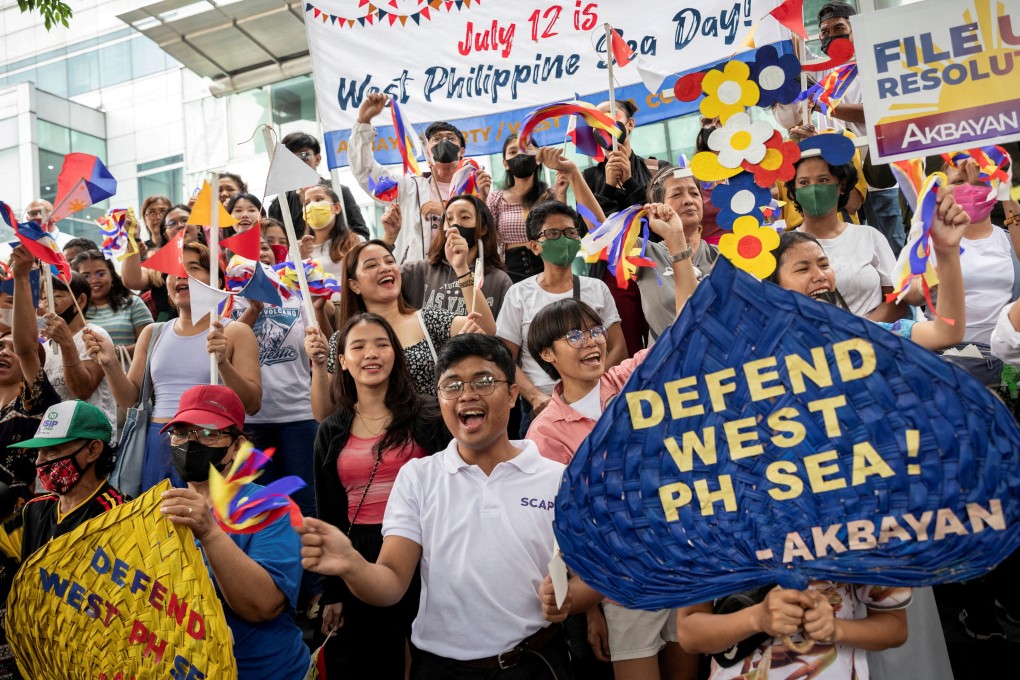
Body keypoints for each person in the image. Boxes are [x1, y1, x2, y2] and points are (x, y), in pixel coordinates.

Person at [298, 334, 600, 678]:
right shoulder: (418, 477)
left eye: (484, 381)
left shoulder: (558, 478)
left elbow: (596, 574)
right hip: (441, 669)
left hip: (535, 661)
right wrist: (352, 565)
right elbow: (391, 582)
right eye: (452, 385)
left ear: (513, 393)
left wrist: (570, 597)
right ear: (439, 399)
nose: (467, 394)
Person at [525, 203, 699, 680]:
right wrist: (591, 607)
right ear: (546, 354)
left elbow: (686, 332)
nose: (591, 342)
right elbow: (566, 525)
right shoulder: (544, 432)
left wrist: (678, 245)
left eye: (595, 330)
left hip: (680, 549)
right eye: (573, 337)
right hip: (619, 573)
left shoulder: (629, 378)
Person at [313, 313, 452, 678]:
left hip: (426, 547)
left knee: (429, 654)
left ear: (396, 354)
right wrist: (333, 592)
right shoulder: (331, 431)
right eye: (358, 346)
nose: (370, 353)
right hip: (359, 551)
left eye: (381, 344)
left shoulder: (429, 417)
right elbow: (328, 513)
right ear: (342, 361)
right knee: (374, 660)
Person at [158, 385, 308, 679]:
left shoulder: (271, 507)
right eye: (181, 432)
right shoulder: (161, 508)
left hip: (263, 671)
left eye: (208, 433)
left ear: (237, 446)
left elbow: (264, 606)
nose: (191, 442)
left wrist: (210, 532)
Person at [85, 242, 261, 491]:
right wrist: (110, 363)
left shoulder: (236, 332)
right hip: (158, 442)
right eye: (174, 270)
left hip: (211, 444)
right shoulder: (152, 332)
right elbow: (130, 399)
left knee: (210, 525)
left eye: (193, 267)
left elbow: (252, 404)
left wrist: (223, 364)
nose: (182, 275)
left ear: (218, 280)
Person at [0, 399, 126, 680]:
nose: (40, 461)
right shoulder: (35, 509)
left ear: (93, 450)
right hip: (37, 658)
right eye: (39, 451)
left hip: (89, 662)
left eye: (52, 450)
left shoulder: (120, 517)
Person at [307, 237, 496, 417]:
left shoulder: (428, 320)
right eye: (372, 265)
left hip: (431, 438)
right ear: (354, 285)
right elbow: (324, 413)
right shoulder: (342, 339)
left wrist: (461, 268)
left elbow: (485, 328)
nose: (385, 268)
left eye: (389, 261)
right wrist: (318, 364)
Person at [496, 201, 626, 435]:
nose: (564, 239)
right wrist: (536, 398)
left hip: (598, 402)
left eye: (570, 232)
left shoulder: (597, 289)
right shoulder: (518, 294)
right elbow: (505, 358)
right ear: (535, 246)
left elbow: (618, 348)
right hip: (542, 408)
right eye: (553, 233)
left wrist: (590, 386)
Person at [351, 92, 492, 264]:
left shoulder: (475, 187)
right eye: (437, 139)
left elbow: (487, 234)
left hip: (463, 270)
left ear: (462, 151)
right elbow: (366, 173)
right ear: (427, 151)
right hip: (418, 275)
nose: (444, 142)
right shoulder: (409, 187)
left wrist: (447, 210)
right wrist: (363, 123)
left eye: (451, 138)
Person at [814, 1, 905, 255]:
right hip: (841, 181)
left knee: (891, 247)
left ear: (855, 29)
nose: (831, 36)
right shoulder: (822, 74)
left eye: (839, 27)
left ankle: (907, 295)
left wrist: (824, 106)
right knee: (858, 252)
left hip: (876, 176)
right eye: (825, 31)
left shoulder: (874, 63)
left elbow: (876, 112)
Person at [789, 155, 901, 322]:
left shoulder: (869, 237)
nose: (813, 189)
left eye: (823, 180)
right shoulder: (785, 246)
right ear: (794, 191)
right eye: (804, 183)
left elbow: (897, 302)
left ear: (841, 186)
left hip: (874, 339)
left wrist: (861, 329)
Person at [18, 270, 118, 439]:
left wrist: (66, 343)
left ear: (80, 300)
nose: (47, 303)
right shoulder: (45, 346)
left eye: (56, 296)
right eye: (43, 298)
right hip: (56, 435)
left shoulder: (93, 336)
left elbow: (82, 390)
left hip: (89, 437)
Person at [0, 247, 61, 511]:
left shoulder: (33, 398)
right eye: (1, 347)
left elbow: (26, 347)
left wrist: (22, 277)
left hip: (17, 520)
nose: (5, 352)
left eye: (13, 350)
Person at [395, 194, 512, 319]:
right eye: (449, 218)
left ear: (483, 228)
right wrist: (390, 238)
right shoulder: (418, 271)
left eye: (465, 217)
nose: (455, 224)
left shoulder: (499, 281)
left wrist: (462, 268)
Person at [267, 131, 370, 240]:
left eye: (303, 155)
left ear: (317, 159)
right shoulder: (279, 205)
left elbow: (362, 234)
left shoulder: (339, 191)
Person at [121, 205, 204, 323]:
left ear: (198, 227)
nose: (180, 225)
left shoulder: (215, 258)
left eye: (185, 220)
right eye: (172, 223)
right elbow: (132, 281)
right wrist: (133, 238)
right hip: (168, 329)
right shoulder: (158, 262)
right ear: (165, 234)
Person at [486, 135, 551, 282]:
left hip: (547, 265)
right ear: (505, 164)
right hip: (510, 271)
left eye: (527, 149)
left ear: (538, 157)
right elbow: (487, 237)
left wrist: (562, 193)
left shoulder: (550, 195)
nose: (520, 154)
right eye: (513, 151)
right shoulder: (495, 199)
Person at [72, 250, 153, 356]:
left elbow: (150, 343)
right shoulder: (73, 309)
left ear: (111, 275)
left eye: (101, 274)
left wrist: (115, 353)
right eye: (86, 276)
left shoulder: (133, 303)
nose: (94, 280)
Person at [299, 183, 364, 279]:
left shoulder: (355, 241)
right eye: (307, 203)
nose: (312, 206)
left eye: (319, 199)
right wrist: (303, 258)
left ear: (336, 208)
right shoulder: (297, 249)